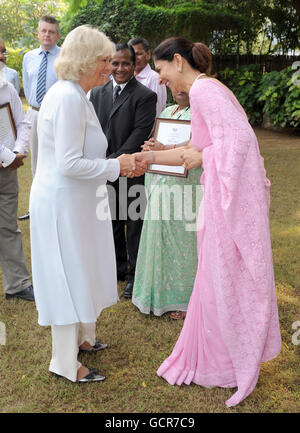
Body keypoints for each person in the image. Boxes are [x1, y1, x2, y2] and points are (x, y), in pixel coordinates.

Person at [135, 37, 281, 407]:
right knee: (213, 277)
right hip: (216, 199)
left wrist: (205, 159)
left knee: (224, 277)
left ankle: (229, 363)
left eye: (162, 70)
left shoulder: (203, 92)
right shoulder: (206, 90)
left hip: (228, 202)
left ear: (178, 61)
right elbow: (199, 149)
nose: (162, 79)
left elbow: (240, 145)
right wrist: (150, 158)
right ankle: (219, 358)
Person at [29, 25, 146, 383]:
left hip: (73, 201)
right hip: (62, 204)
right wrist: (118, 165)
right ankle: (63, 362)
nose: (110, 67)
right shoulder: (66, 97)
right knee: (65, 275)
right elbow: (67, 162)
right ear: (83, 61)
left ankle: (82, 338)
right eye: (103, 60)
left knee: (79, 268)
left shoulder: (75, 94)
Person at [90, 43, 157, 299]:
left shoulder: (145, 96)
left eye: (125, 63)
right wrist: (102, 164)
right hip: (104, 168)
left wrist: (114, 162)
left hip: (130, 169)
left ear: (134, 65)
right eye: (115, 63)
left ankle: (134, 274)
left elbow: (139, 135)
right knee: (111, 221)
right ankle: (117, 268)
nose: (119, 68)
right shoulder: (97, 93)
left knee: (133, 223)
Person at [132, 90, 203, 319]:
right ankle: (155, 293)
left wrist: (164, 151)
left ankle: (184, 299)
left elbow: (198, 148)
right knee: (158, 233)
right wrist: (150, 147)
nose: (178, 89)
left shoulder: (203, 114)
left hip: (187, 185)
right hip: (161, 178)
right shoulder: (167, 111)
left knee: (183, 241)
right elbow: (157, 143)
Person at [20, 16, 61, 221]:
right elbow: (27, 86)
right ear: (38, 33)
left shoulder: (64, 57)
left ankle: (56, 207)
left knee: (57, 159)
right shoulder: (29, 57)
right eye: (43, 31)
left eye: (51, 31)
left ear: (58, 35)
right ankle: (36, 208)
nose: (47, 35)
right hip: (35, 113)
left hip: (57, 116)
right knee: (36, 160)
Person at [0, 67, 34, 302]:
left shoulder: (7, 88)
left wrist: (18, 150)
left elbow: (23, 124)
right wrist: (8, 157)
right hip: (7, 162)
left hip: (6, 173)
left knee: (7, 226)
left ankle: (17, 284)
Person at [128, 37, 167, 118]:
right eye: (132, 55)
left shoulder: (154, 79)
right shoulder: (128, 78)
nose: (135, 58)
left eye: (138, 54)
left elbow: (155, 112)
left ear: (148, 54)